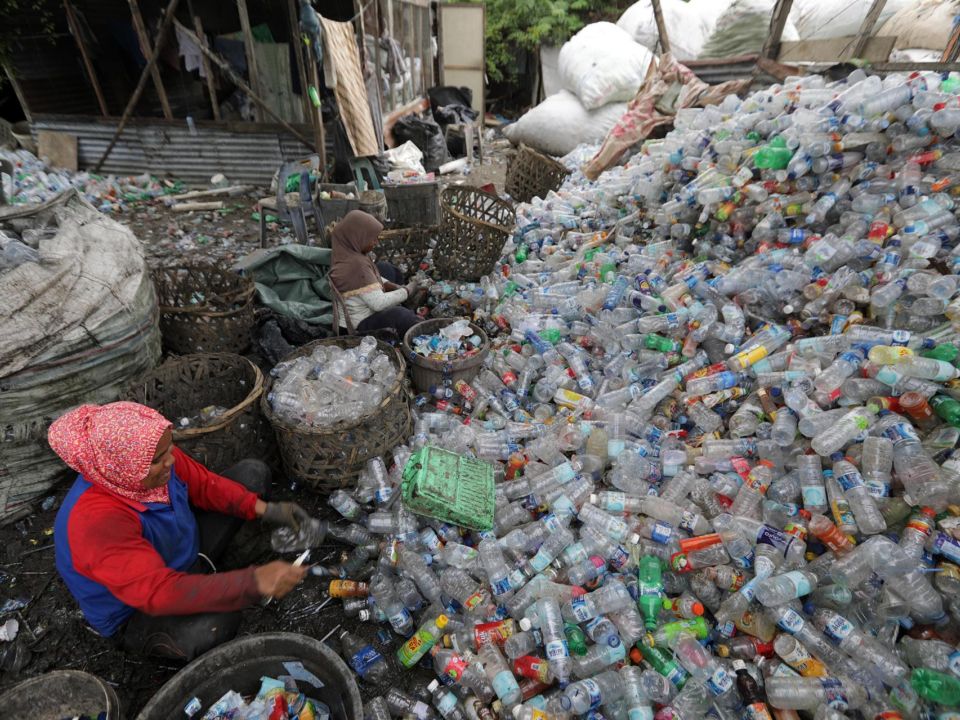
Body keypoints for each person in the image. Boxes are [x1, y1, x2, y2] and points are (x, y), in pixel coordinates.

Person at [49, 401, 310, 661]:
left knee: (252, 476)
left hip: (182, 554)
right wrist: (252, 581)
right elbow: (160, 593)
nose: (171, 461)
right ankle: (158, 638)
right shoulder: (95, 522)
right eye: (158, 460)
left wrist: (266, 509)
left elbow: (206, 486)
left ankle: (209, 572)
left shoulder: (152, 459)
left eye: (169, 448)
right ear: (122, 468)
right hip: (138, 610)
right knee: (216, 625)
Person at [330, 209, 423, 337]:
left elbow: (367, 278)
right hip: (358, 326)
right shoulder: (356, 266)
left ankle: (404, 303)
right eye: (372, 238)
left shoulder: (347, 253)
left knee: (385, 268)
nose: (375, 242)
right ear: (359, 237)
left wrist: (393, 286)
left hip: (363, 304)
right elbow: (378, 304)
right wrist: (407, 290)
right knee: (401, 315)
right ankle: (411, 317)